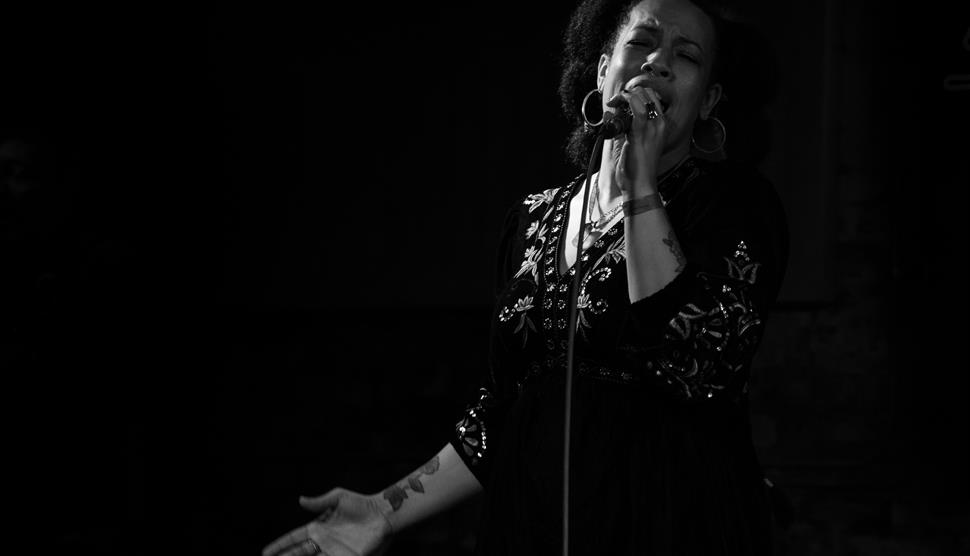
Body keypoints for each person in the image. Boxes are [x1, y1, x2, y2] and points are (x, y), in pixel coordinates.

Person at [262, 0, 788, 553]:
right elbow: (504, 409)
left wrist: (639, 180)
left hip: (671, 523)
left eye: (685, 56)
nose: (657, 62)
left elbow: (691, 356)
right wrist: (382, 512)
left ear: (708, 101)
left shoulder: (735, 205)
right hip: (533, 527)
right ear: (604, 64)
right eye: (641, 42)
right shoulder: (532, 219)